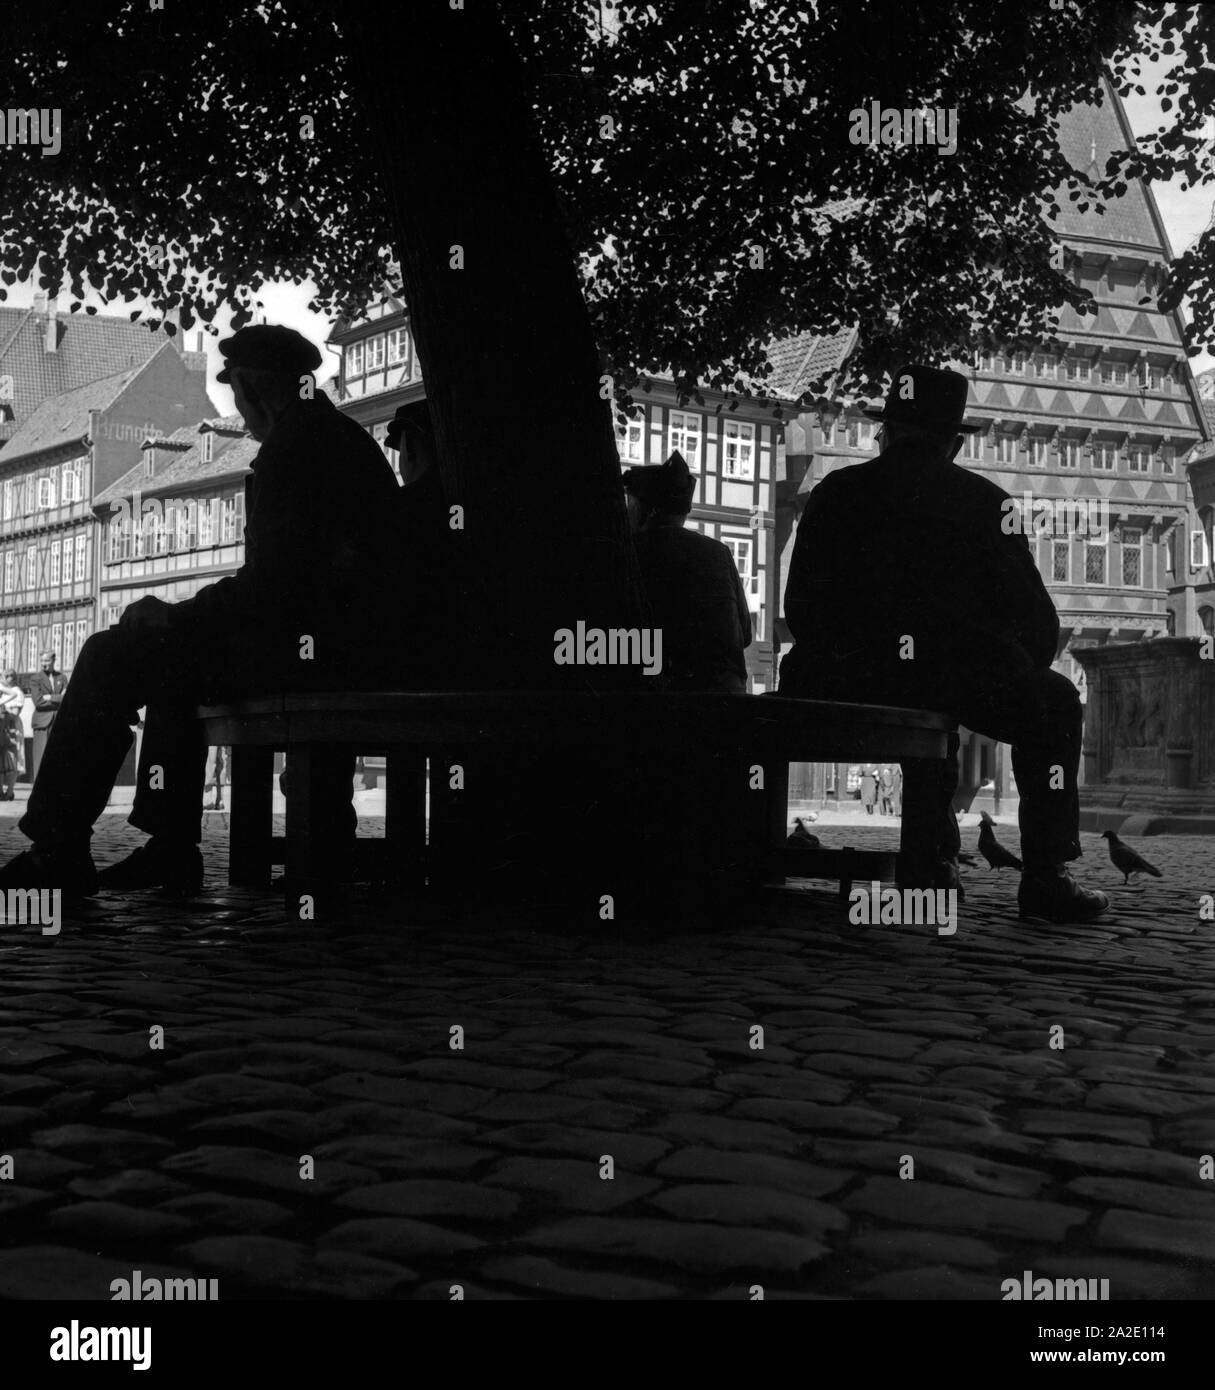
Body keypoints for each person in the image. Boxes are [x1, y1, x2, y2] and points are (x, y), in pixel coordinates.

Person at [0, 325, 403, 894]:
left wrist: (177, 615)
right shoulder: (333, 437)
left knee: (110, 654)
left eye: (240, 400)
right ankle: (168, 846)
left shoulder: (296, 449)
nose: (243, 415)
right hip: (350, 643)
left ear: (251, 391)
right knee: (172, 666)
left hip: (323, 652)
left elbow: (273, 586)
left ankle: (63, 844)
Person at [779, 363, 1106, 924]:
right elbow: (1039, 625)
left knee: (930, 708)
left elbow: (801, 609)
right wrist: (1005, 659)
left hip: (842, 677)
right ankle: (1046, 877)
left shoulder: (838, 493)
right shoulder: (985, 504)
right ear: (954, 443)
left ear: (887, 432)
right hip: (956, 678)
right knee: (1051, 704)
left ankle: (934, 862)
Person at [622, 451, 752, 692]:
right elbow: (744, 635)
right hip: (728, 706)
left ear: (645, 510)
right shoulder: (720, 553)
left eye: (630, 504)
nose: (626, 513)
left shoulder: (631, 554)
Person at [29, 650, 67, 782]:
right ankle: (38, 790)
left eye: (47, 661)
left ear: (54, 660)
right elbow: (38, 702)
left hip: (58, 722)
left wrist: (50, 697)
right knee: (40, 757)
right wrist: (58, 699)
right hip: (42, 722)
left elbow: (66, 699)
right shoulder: (35, 679)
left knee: (58, 756)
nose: (44, 664)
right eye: (42, 661)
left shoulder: (62, 677)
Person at [0, 669, 25, 800]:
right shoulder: (3, 691)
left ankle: (10, 791)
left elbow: (15, 713)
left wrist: (4, 710)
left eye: (11, 676)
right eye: (6, 676)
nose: (8, 679)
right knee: (3, 760)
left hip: (12, 727)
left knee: (13, 759)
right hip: (2, 727)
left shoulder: (17, 692)